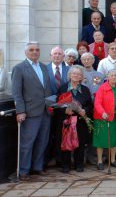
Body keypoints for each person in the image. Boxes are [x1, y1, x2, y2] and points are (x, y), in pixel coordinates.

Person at [12, 41, 52, 180]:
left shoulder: (43, 67)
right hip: (29, 112)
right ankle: (23, 171)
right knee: (27, 143)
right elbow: (16, 93)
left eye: (37, 50)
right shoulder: (19, 68)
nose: (35, 52)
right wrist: (20, 111)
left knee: (42, 141)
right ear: (26, 52)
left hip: (45, 110)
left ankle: (37, 167)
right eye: (31, 50)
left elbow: (46, 89)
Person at [55, 65, 92, 173]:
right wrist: (65, 110)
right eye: (74, 73)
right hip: (66, 120)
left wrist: (85, 110)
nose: (76, 75)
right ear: (70, 75)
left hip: (80, 120)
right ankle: (65, 165)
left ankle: (79, 164)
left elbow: (90, 104)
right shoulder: (63, 88)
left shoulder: (85, 89)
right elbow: (57, 104)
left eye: (78, 74)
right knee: (65, 142)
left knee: (80, 142)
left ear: (81, 77)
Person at [93, 69, 116, 170]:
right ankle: (99, 161)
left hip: (115, 118)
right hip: (102, 118)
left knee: (114, 140)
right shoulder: (102, 88)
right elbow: (97, 103)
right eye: (112, 75)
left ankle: (113, 160)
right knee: (101, 140)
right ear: (107, 77)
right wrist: (103, 113)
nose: (114, 77)